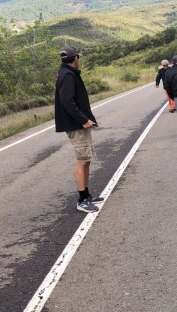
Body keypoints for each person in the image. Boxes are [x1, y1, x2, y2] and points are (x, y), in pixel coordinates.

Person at [54, 46, 103, 213]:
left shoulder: (66, 73)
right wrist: (83, 120)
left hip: (79, 123)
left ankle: (87, 195)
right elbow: (67, 101)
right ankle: (82, 200)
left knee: (86, 159)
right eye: (78, 57)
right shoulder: (68, 75)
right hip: (76, 124)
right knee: (81, 160)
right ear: (75, 58)